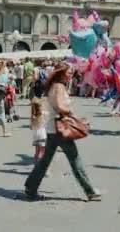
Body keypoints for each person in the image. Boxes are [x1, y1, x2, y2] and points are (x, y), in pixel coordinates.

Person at [24, 63, 101, 202]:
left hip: (53, 129)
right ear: (61, 73)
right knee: (75, 159)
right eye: (69, 72)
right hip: (60, 129)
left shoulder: (54, 85)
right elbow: (60, 106)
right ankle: (90, 191)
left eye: (72, 72)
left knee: (45, 161)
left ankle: (30, 188)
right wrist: (71, 113)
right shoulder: (59, 87)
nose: (71, 75)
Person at [30, 97, 46, 163]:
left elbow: (31, 127)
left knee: (37, 151)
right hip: (42, 135)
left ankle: (36, 164)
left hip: (35, 135)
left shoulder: (33, 116)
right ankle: (41, 165)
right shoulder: (43, 114)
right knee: (42, 151)